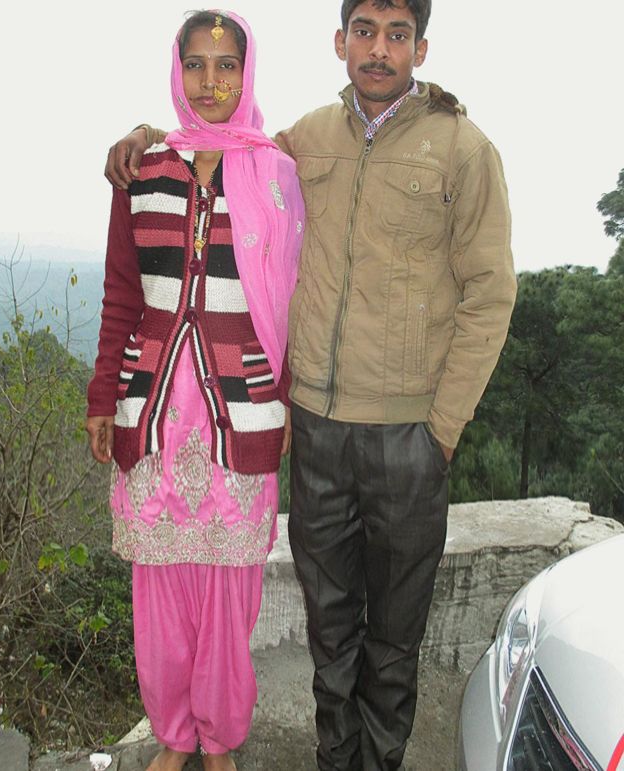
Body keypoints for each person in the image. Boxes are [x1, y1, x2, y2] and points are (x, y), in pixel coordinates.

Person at [104, 1, 517, 768]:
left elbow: (491, 293)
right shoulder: (305, 142)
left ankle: (377, 761)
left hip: (407, 432)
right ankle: (335, 758)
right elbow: (220, 139)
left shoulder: (462, 148)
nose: (379, 49)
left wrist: (442, 429)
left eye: (398, 34)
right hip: (318, 427)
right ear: (341, 41)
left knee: (393, 633)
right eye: (365, 31)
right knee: (331, 626)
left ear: (421, 47)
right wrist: (146, 133)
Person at [87, 10, 304, 771]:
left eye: (227, 65)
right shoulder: (143, 171)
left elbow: (293, 298)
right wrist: (101, 397)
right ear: (176, 72)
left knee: (229, 596)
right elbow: (122, 294)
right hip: (152, 413)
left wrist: (286, 400)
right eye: (196, 65)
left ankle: (220, 738)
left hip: (240, 414)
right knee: (160, 596)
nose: (211, 82)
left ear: (248, 72)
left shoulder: (276, 174)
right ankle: (175, 736)